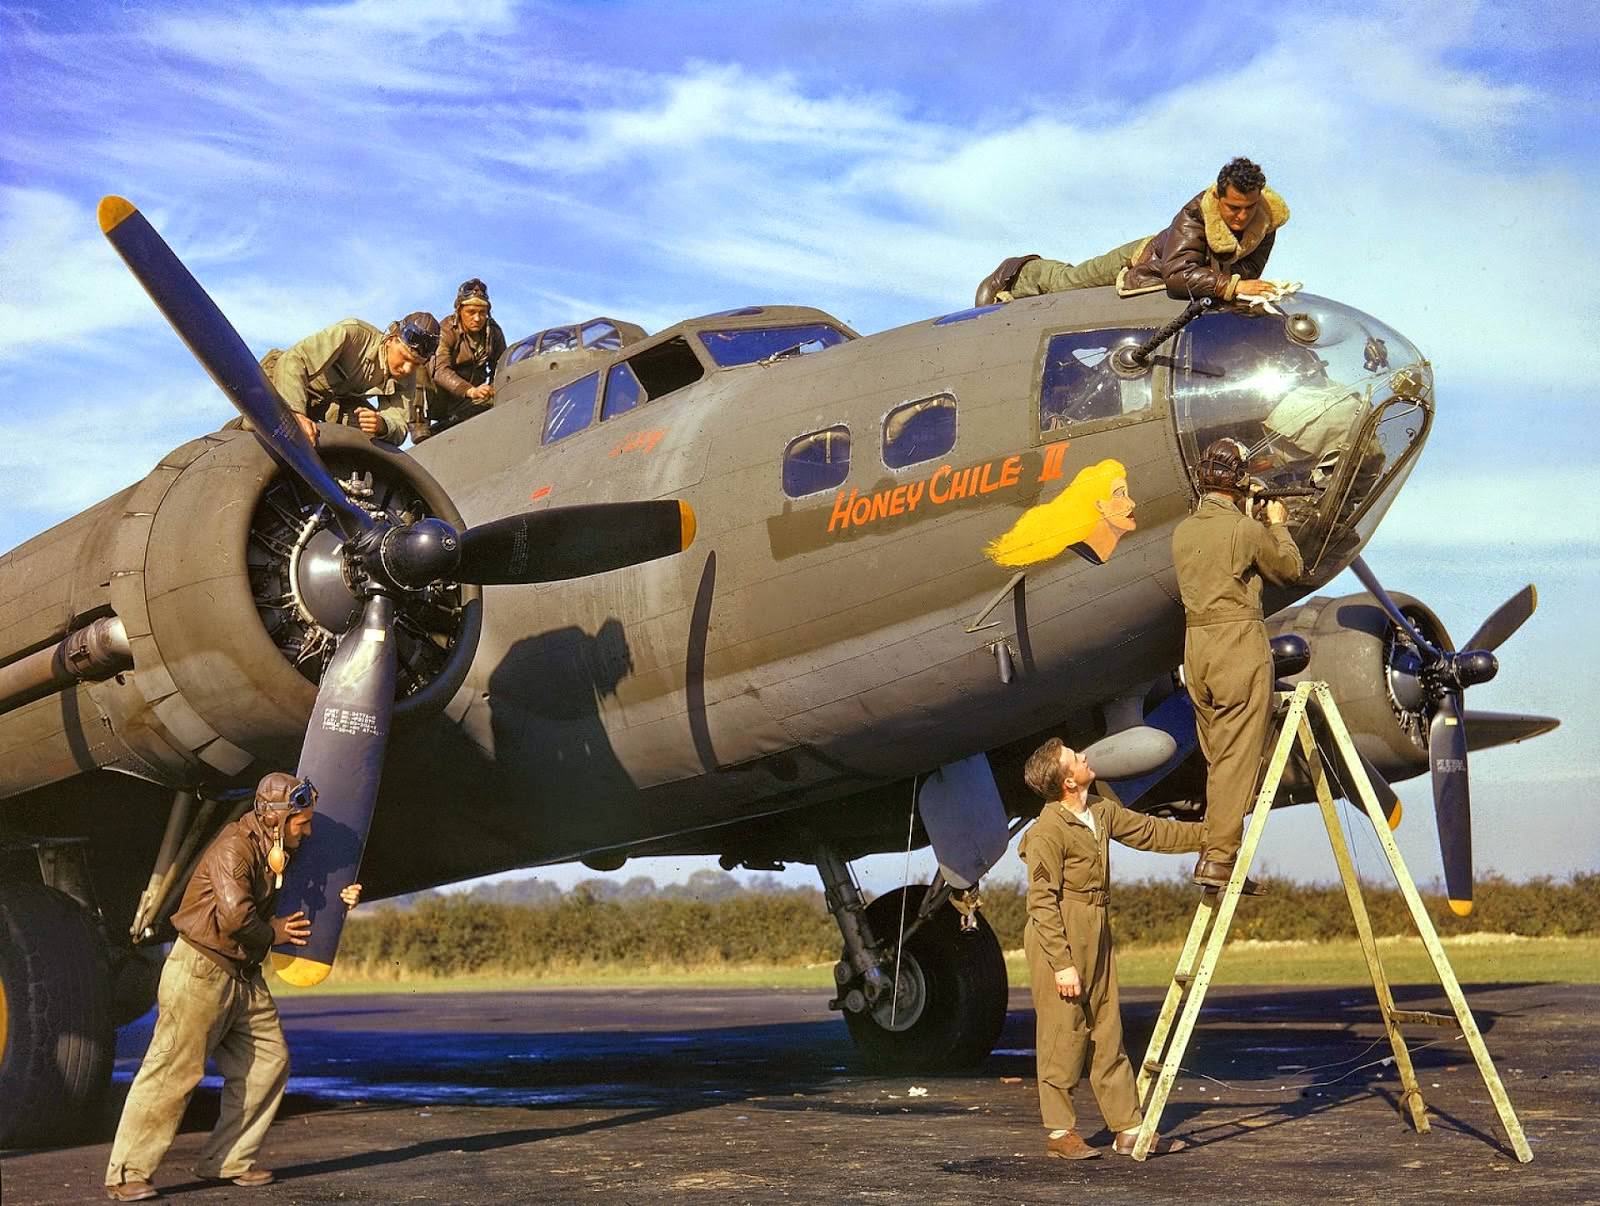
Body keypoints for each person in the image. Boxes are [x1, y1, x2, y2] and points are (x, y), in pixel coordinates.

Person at [104, 773, 361, 1202]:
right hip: (200, 970)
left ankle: (228, 1161)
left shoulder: (275, 849)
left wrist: (342, 897)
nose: (309, 830)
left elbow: (302, 893)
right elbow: (235, 917)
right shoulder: (233, 848)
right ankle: (126, 1172)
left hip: (243, 973)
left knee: (268, 1061)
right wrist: (275, 931)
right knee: (173, 1072)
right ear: (275, 819)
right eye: (302, 823)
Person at [1020, 738, 1202, 1159]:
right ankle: (1060, 1133)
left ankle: (1129, 1128)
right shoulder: (1047, 831)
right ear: (1068, 780)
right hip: (1059, 931)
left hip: (1097, 925)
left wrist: (1208, 836)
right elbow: (1042, 901)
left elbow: (1149, 831)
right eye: (1075, 758)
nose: (1085, 757)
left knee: (1107, 1029)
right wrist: (1062, 965)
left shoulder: (1099, 812)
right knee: (1063, 1032)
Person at [1171, 437, 1304, 891]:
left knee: (1218, 758)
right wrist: (1278, 525)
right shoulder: (1246, 532)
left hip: (1197, 651)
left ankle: (1217, 848)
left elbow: (1219, 559)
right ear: (1239, 479)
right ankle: (1220, 860)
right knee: (1237, 758)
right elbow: (1288, 570)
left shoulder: (1183, 532)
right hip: (1236, 645)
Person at [975, 157, 1290, 305]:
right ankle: (1018, 271)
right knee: (1068, 283)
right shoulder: (1196, 212)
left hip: (1192, 276)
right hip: (1143, 258)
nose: (1241, 216)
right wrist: (1232, 287)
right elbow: (1179, 274)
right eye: (1234, 208)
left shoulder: (1265, 222)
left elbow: (1248, 271)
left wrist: (1244, 286)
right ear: (1219, 197)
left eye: (1249, 207)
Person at [257, 313, 440, 446]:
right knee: (264, 425)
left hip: (329, 403)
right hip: (287, 381)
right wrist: (295, 413)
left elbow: (399, 426)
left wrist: (382, 425)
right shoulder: (353, 334)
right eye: (404, 357)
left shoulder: (407, 376)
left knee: (368, 437)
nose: (407, 368)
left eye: (416, 364)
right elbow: (294, 361)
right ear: (391, 339)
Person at [413, 278, 507, 443]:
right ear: (459, 310)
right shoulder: (445, 330)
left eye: (482, 312)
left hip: (468, 401)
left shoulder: (494, 333)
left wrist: (490, 389)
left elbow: (501, 367)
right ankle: (420, 427)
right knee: (418, 368)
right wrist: (470, 390)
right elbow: (440, 371)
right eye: (471, 312)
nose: (477, 318)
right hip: (438, 398)